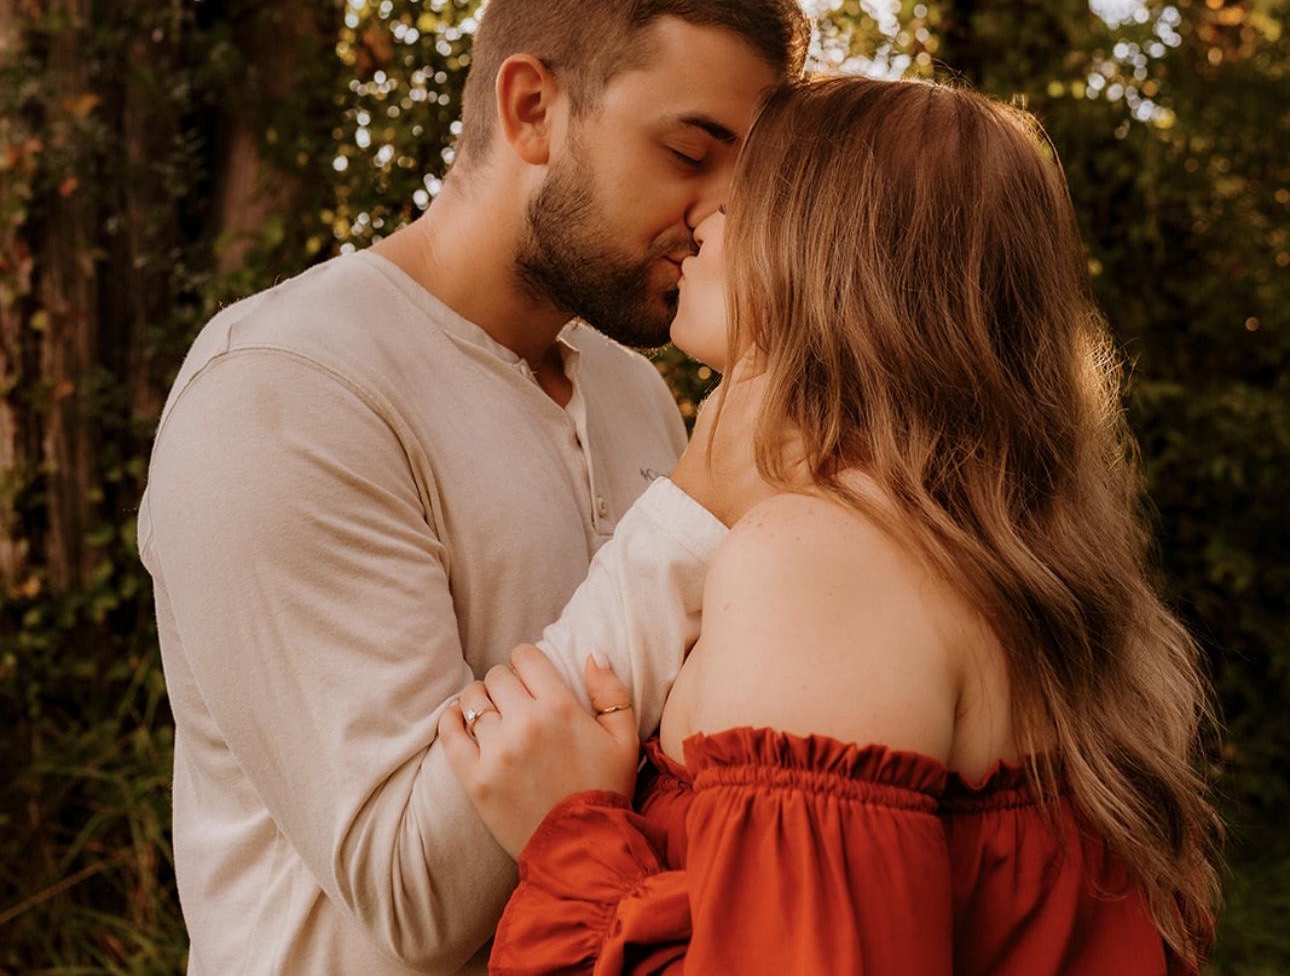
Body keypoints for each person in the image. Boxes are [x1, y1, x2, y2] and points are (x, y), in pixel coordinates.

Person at [137, 0, 809, 975]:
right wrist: (689, 516)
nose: (718, 216)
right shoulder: (284, 389)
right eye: (689, 153)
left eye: (747, 182)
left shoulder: (636, 394)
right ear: (531, 108)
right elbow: (413, 896)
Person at [443, 76, 1221, 974]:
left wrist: (573, 835)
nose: (700, 226)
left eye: (741, 204)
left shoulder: (820, 561)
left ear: (822, 252)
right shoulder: (997, 553)